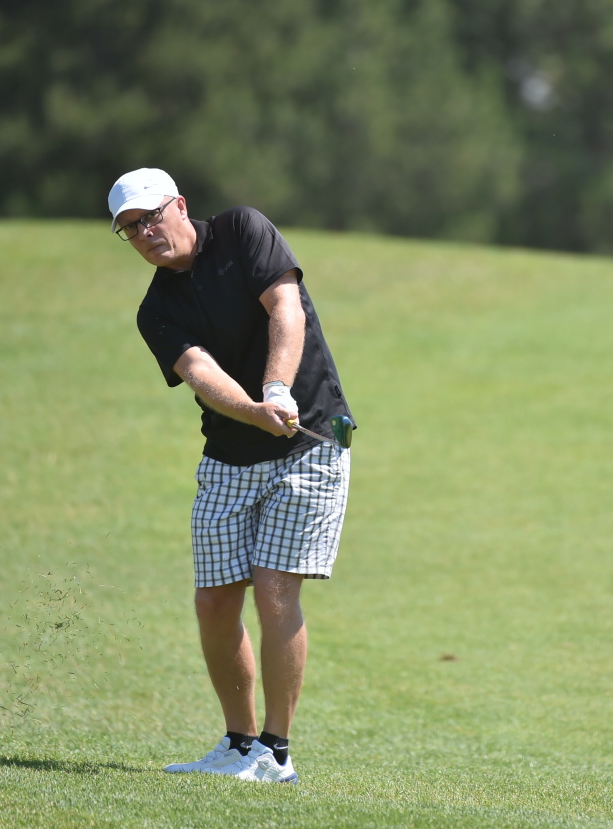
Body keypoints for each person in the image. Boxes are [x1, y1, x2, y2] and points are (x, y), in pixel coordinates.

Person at [107, 167, 354, 785]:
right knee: (215, 601)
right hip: (229, 454)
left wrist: (277, 390)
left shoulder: (243, 231)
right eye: (130, 229)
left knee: (274, 589)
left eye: (151, 217)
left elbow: (286, 308)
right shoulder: (156, 309)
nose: (145, 234)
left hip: (308, 441)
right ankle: (240, 744)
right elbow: (200, 374)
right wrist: (252, 411)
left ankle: (277, 753)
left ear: (179, 205)